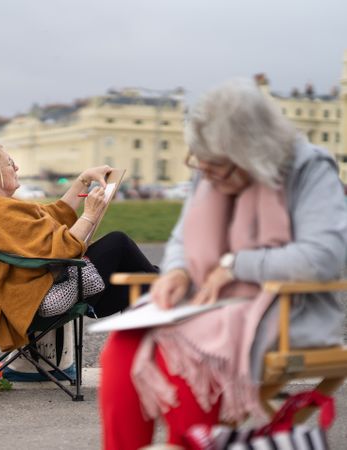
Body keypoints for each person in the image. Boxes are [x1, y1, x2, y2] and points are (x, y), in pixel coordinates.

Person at [99, 79, 347, 449]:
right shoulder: (213, 163)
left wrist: (236, 266)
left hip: (285, 308)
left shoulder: (308, 168)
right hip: (210, 303)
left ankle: (193, 442)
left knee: (185, 354)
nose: (207, 175)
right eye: (203, 165)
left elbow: (324, 257)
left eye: (218, 168)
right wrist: (180, 271)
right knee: (122, 347)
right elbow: (183, 239)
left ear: (253, 154)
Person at [0, 141, 157, 352]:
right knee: (119, 243)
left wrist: (84, 179)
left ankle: (135, 349)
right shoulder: (0, 213)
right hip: (41, 298)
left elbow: (54, 215)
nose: (16, 168)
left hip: (38, 289)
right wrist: (89, 215)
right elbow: (62, 249)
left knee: (139, 283)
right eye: (10, 163)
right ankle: (164, 290)